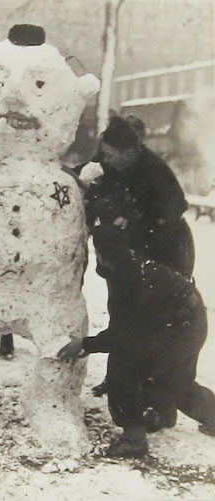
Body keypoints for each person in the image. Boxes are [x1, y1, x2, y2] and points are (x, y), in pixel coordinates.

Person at [58, 223, 215, 458]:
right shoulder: (130, 264)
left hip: (180, 328)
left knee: (123, 366)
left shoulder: (128, 279)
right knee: (172, 381)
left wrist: (84, 345)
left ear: (103, 252)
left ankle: (134, 439)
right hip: (189, 320)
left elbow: (122, 336)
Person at [84, 116, 195, 412]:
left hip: (165, 253)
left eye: (108, 156)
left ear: (130, 153)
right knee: (122, 314)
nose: (103, 160)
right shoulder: (117, 161)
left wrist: (133, 222)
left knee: (161, 321)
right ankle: (123, 378)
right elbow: (96, 175)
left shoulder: (155, 173)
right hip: (127, 253)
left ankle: (163, 402)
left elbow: (172, 214)